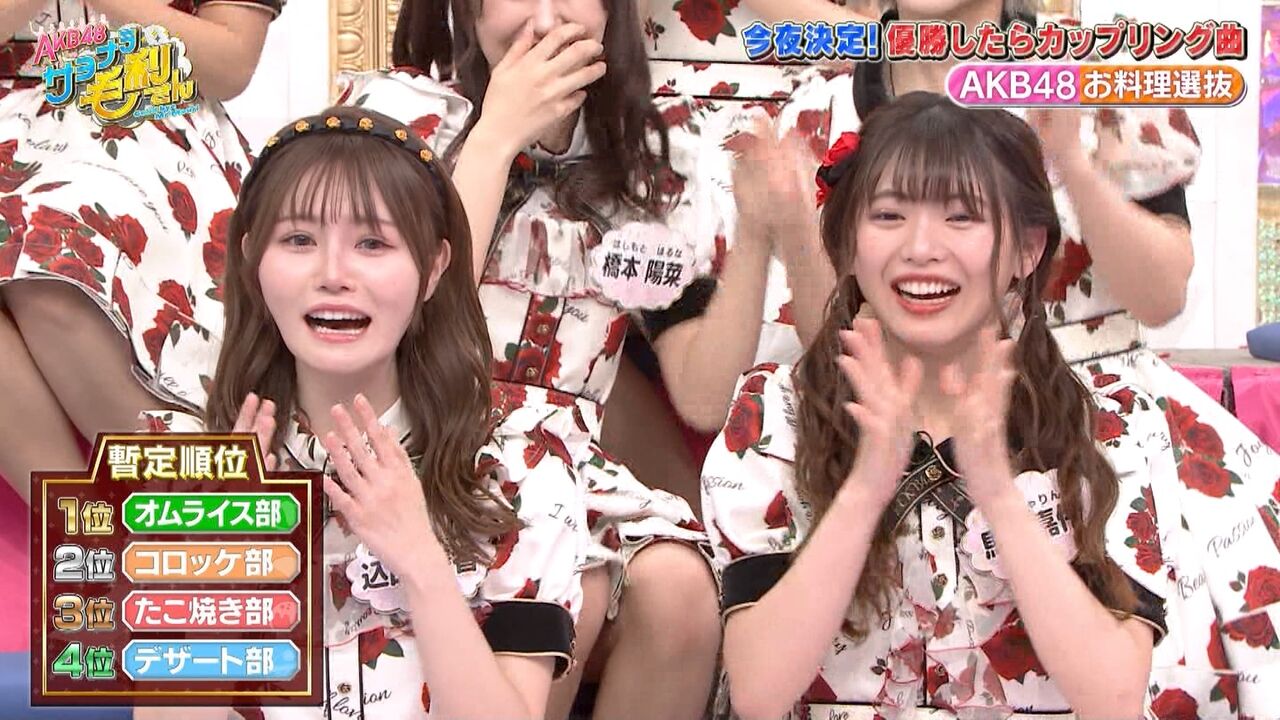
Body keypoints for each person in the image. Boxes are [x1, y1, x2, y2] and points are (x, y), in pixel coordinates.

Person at [330, 0, 781, 716]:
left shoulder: (650, 162)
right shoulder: (396, 119)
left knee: (681, 591)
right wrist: (497, 133)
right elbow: (404, 321)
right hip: (422, 442)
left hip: (569, 469)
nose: (544, 19)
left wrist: (756, 236)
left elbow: (701, 395)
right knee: (574, 585)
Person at [703, 92, 1174, 719]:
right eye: (889, 215)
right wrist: (870, 479)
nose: (921, 247)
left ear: (1027, 249)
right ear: (847, 243)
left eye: (961, 217)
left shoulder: (1111, 422)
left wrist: (998, 491)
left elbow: (1114, 698)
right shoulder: (775, 415)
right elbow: (758, 691)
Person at [133, 106, 587, 719]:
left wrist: (420, 560)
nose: (333, 275)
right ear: (251, 260)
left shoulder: (518, 468)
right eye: (299, 240)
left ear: (434, 268)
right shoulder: (186, 465)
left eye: (373, 243)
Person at [0, 0, 282, 503]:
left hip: (143, 113)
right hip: (10, 126)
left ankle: (191, 503)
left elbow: (230, 63)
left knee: (47, 250)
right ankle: (79, 529)